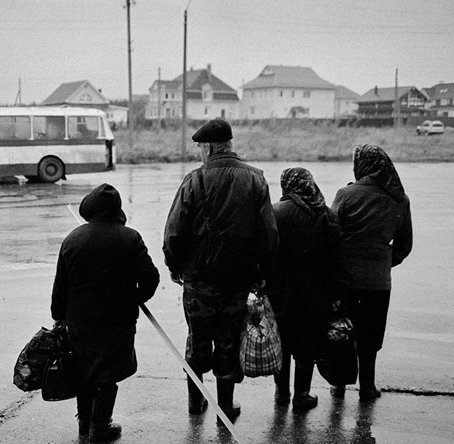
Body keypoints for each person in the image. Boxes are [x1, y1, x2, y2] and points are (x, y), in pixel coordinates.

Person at [163, 118, 278, 422]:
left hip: (198, 278)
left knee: (197, 339)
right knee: (228, 341)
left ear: (209, 147)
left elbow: (174, 230)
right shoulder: (255, 179)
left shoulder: (194, 180)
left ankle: (195, 402)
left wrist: (174, 265)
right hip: (237, 279)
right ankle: (225, 407)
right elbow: (268, 233)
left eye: (201, 148)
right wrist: (263, 273)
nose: (200, 153)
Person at [51, 183, 160, 443]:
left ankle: (85, 423)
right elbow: (150, 277)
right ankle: (100, 427)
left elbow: (61, 285)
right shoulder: (130, 238)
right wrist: (134, 298)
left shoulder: (73, 239)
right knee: (107, 372)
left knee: (84, 369)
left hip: (80, 320)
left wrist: (58, 316)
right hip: (118, 319)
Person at [331, 144, 413, 400]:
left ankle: (339, 383)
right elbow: (404, 244)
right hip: (378, 281)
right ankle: (367, 386)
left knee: (343, 331)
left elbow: (331, 234)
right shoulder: (399, 198)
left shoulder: (346, 194)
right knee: (371, 335)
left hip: (346, 279)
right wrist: (384, 263)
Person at [265, 167, 343, 411]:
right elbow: (336, 261)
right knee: (306, 347)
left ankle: (281, 393)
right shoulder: (327, 215)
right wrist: (336, 294)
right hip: (315, 294)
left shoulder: (275, 212)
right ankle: (302, 395)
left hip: (280, 292)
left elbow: (266, 252)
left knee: (283, 343)